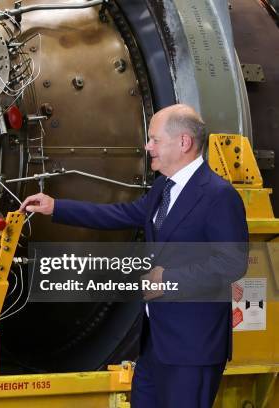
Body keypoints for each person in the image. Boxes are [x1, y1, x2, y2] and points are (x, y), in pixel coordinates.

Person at [19, 104, 248, 407]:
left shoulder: (218, 195)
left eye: (154, 139)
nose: (147, 146)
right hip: (155, 344)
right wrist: (56, 207)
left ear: (183, 143)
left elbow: (232, 262)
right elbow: (123, 214)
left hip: (193, 348)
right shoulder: (163, 188)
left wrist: (169, 280)